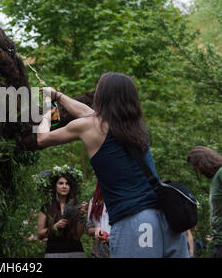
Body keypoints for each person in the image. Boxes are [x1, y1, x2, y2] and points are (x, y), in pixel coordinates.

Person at [37, 72, 189, 258]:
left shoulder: (91, 126)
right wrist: (58, 96)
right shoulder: (137, 128)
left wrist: (47, 103)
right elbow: (87, 112)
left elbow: (42, 138)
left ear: (101, 96)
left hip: (136, 222)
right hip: (167, 220)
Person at [37, 170, 88, 258]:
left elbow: (78, 235)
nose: (64, 186)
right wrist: (55, 227)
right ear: (55, 186)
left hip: (75, 252)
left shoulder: (76, 206)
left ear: (70, 187)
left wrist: (82, 216)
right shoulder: (46, 207)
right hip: (53, 253)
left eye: (67, 184)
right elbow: (40, 235)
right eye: (61, 183)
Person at [187, 146, 222, 258]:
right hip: (218, 242)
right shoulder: (217, 177)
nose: (199, 172)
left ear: (203, 162)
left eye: (196, 167)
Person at [86, 182, 111, 258]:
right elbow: (89, 229)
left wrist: (112, 236)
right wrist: (96, 229)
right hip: (99, 249)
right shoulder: (94, 202)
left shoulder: (119, 200)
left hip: (117, 245)